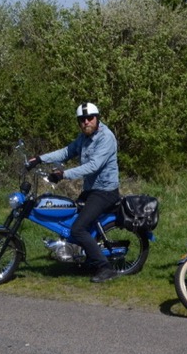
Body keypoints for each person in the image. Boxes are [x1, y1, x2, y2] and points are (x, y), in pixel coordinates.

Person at [28, 102, 122, 283]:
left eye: (90, 118)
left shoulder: (106, 137)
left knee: (78, 229)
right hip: (90, 190)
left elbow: (93, 166)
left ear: (97, 118)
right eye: (82, 119)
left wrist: (63, 174)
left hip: (105, 192)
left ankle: (106, 268)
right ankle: (82, 257)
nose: (86, 122)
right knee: (70, 221)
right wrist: (39, 159)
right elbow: (66, 152)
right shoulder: (84, 137)